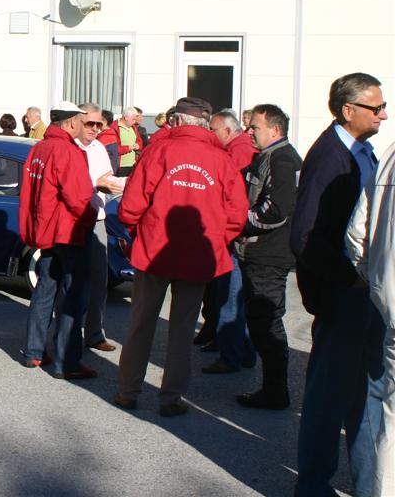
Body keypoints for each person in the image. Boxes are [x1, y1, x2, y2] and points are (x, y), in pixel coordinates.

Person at [112, 97, 247, 417]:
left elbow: (131, 205)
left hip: (155, 250)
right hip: (196, 255)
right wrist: (215, 239)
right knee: (183, 329)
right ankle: (170, 397)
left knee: (141, 324)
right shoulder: (222, 159)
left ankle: (128, 391)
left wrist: (139, 233)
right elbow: (236, 216)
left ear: (177, 121)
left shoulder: (158, 151)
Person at [291, 72, 387, 497]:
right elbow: (305, 237)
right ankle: (313, 486)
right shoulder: (330, 157)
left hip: (364, 296)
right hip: (343, 297)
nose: (384, 114)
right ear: (348, 111)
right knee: (330, 398)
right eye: (376, 107)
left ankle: (370, 483)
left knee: (364, 396)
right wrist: (349, 282)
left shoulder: (363, 151)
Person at [19, 102, 98, 377]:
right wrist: (91, 216)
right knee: (73, 296)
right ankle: (67, 362)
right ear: (71, 122)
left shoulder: (39, 148)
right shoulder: (67, 151)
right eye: (82, 120)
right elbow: (78, 198)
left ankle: (34, 352)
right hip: (68, 232)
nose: (85, 125)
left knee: (44, 291)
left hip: (47, 232)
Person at [232, 104, 302, 410]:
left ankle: (275, 391)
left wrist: (237, 221)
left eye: (255, 127)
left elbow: (276, 210)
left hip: (269, 255)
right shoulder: (268, 156)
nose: (249, 132)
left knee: (267, 322)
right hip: (259, 252)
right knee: (260, 320)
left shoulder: (283, 159)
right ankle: (272, 388)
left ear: (274, 130)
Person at [346, 140, 395, 497]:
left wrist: (376, 281)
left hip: (390, 304)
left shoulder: (390, 154)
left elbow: (356, 234)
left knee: (391, 422)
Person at [200, 109, 257, 374]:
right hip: (234, 233)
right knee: (230, 295)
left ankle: (231, 354)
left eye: (212, 129)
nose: (209, 135)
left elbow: (229, 191)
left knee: (230, 297)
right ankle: (239, 351)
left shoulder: (239, 151)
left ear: (226, 130)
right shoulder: (238, 148)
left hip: (233, 236)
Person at [75, 103, 126, 354]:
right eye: (90, 123)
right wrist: (99, 183)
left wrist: (120, 184)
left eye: (99, 124)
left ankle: (94, 333)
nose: (95, 129)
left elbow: (107, 176)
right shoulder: (70, 147)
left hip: (98, 218)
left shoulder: (98, 148)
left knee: (99, 279)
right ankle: (68, 334)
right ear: (77, 121)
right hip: (74, 220)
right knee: (71, 280)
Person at [110, 107, 144, 176]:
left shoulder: (133, 128)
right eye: (133, 119)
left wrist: (138, 145)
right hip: (120, 166)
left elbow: (139, 142)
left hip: (133, 164)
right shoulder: (114, 128)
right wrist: (128, 148)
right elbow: (113, 149)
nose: (135, 122)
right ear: (126, 118)